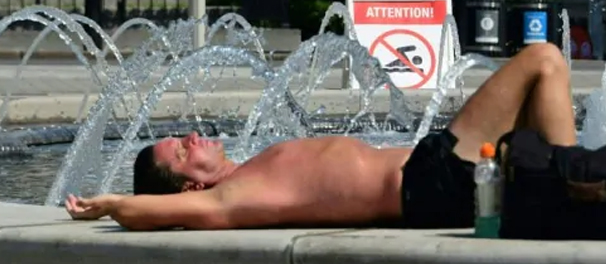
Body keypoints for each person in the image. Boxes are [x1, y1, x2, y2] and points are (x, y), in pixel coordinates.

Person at [64, 43, 576, 231]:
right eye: (181, 150)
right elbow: (154, 213)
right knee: (543, 61)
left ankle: (566, 186)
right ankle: (576, 193)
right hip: (430, 183)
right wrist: (114, 204)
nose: (193, 136)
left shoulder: (248, 173)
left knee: (537, 102)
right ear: (190, 188)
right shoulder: (232, 198)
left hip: (433, 168)